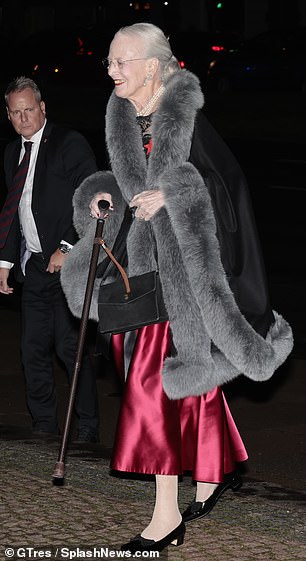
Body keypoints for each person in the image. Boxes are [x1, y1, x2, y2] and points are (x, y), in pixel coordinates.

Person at [61, 23, 293, 553]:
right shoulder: (123, 115)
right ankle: (213, 471)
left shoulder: (184, 117)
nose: (112, 71)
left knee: (153, 385)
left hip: (185, 279)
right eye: (110, 63)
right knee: (193, 379)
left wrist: (172, 194)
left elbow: (224, 186)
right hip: (143, 272)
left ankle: (165, 516)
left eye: (122, 62)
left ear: (150, 67)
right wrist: (102, 196)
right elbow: (122, 182)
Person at [0, 76, 99, 442]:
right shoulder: (13, 153)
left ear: (43, 108)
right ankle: (43, 425)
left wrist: (68, 246)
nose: (23, 118)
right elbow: (13, 210)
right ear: (8, 116)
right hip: (34, 266)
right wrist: (5, 263)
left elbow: (93, 201)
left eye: (29, 110)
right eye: (15, 113)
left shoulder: (68, 144)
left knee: (69, 348)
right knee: (32, 351)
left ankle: (87, 427)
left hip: (69, 265)